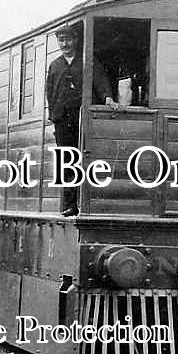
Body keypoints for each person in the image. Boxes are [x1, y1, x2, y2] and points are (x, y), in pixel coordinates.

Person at [45, 24, 119, 216]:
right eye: (61, 40)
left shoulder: (88, 61)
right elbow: (50, 93)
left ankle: (86, 203)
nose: (65, 44)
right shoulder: (55, 65)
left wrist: (107, 98)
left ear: (75, 40)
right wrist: (54, 115)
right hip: (63, 119)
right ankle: (70, 204)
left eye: (68, 39)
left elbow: (101, 81)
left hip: (82, 116)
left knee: (85, 157)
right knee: (66, 159)